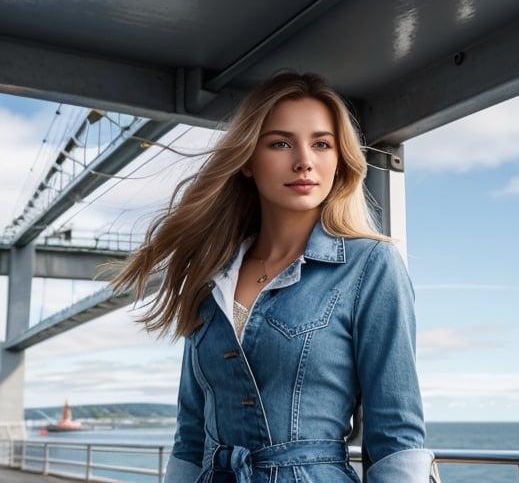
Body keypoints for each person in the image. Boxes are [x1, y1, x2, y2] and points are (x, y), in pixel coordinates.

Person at [112, 72, 433, 482]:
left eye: (321, 144)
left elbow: (396, 436)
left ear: (339, 159)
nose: (304, 161)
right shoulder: (211, 277)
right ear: (247, 160)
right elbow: (191, 436)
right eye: (281, 143)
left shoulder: (372, 265)